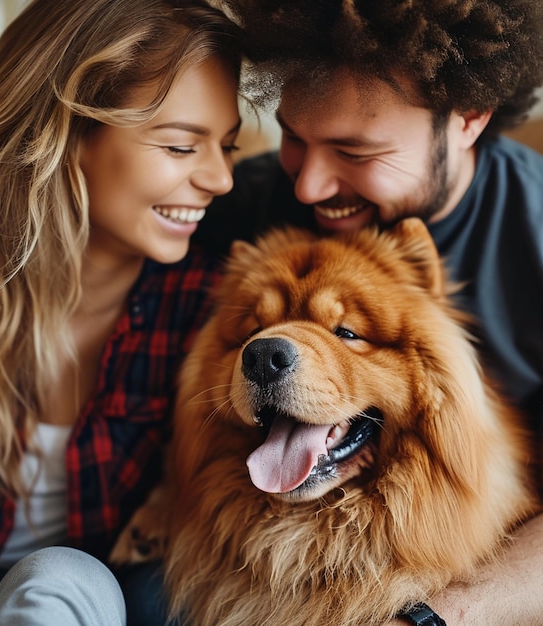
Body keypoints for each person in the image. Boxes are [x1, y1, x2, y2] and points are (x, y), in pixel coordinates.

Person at [191, 1, 543, 624]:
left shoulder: (534, 232)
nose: (307, 188)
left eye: (356, 151)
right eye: (293, 139)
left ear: (469, 118)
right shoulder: (239, 205)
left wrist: (431, 618)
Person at [0, 0, 243, 624]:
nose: (221, 179)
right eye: (179, 147)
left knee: (69, 577)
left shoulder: (211, 315)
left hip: (95, 606)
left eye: (225, 147)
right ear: (64, 135)